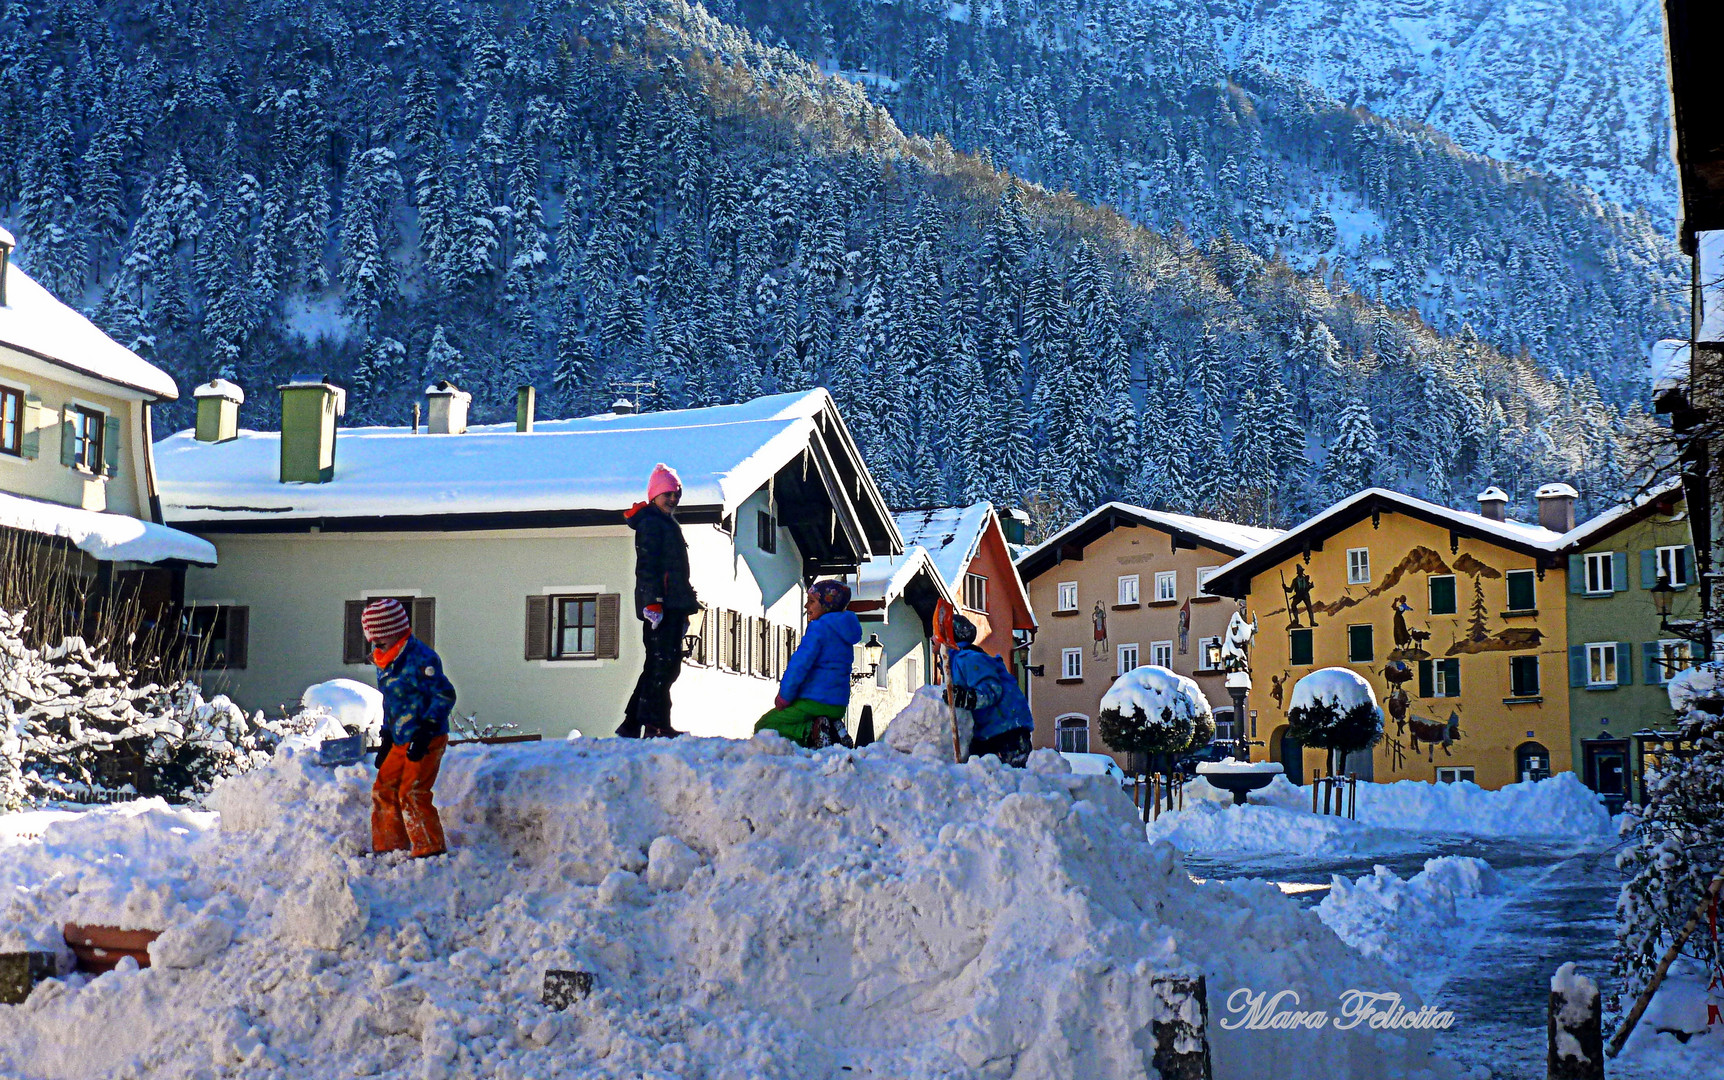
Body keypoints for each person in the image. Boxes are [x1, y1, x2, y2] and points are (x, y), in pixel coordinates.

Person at [365, 598, 456, 858]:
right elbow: (391, 703)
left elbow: (444, 695)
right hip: (399, 738)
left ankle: (430, 849)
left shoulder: (421, 659)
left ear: (395, 632)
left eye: (380, 639)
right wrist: (385, 735)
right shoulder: (385, 662)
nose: (375, 644)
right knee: (384, 789)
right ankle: (389, 846)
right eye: (373, 640)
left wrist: (426, 730)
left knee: (412, 791)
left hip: (426, 737)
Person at [621, 463, 698, 738]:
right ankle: (655, 725)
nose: (673, 499)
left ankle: (632, 723)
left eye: (676, 494)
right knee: (664, 665)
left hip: (672, 605)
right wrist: (653, 601)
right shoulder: (653, 523)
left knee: (659, 665)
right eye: (668, 494)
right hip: (663, 606)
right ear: (654, 495)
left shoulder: (663, 522)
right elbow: (647, 566)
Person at [754, 580, 860, 748]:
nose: (806, 606)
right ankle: (831, 727)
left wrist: (785, 696)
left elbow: (799, 665)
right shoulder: (845, 634)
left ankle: (811, 731)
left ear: (826, 606)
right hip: (838, 706)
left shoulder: (818, 629)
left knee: (765, 726)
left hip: (813, 702)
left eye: (812, 601)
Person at [947, 613, 1035, 767]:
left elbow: (991, 691)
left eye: (936, 634)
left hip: (1006, 731)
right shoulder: (955, 660)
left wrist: (965, 698)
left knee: (1008, 782)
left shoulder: (969, 658)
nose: (933, 638)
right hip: (988, 733)